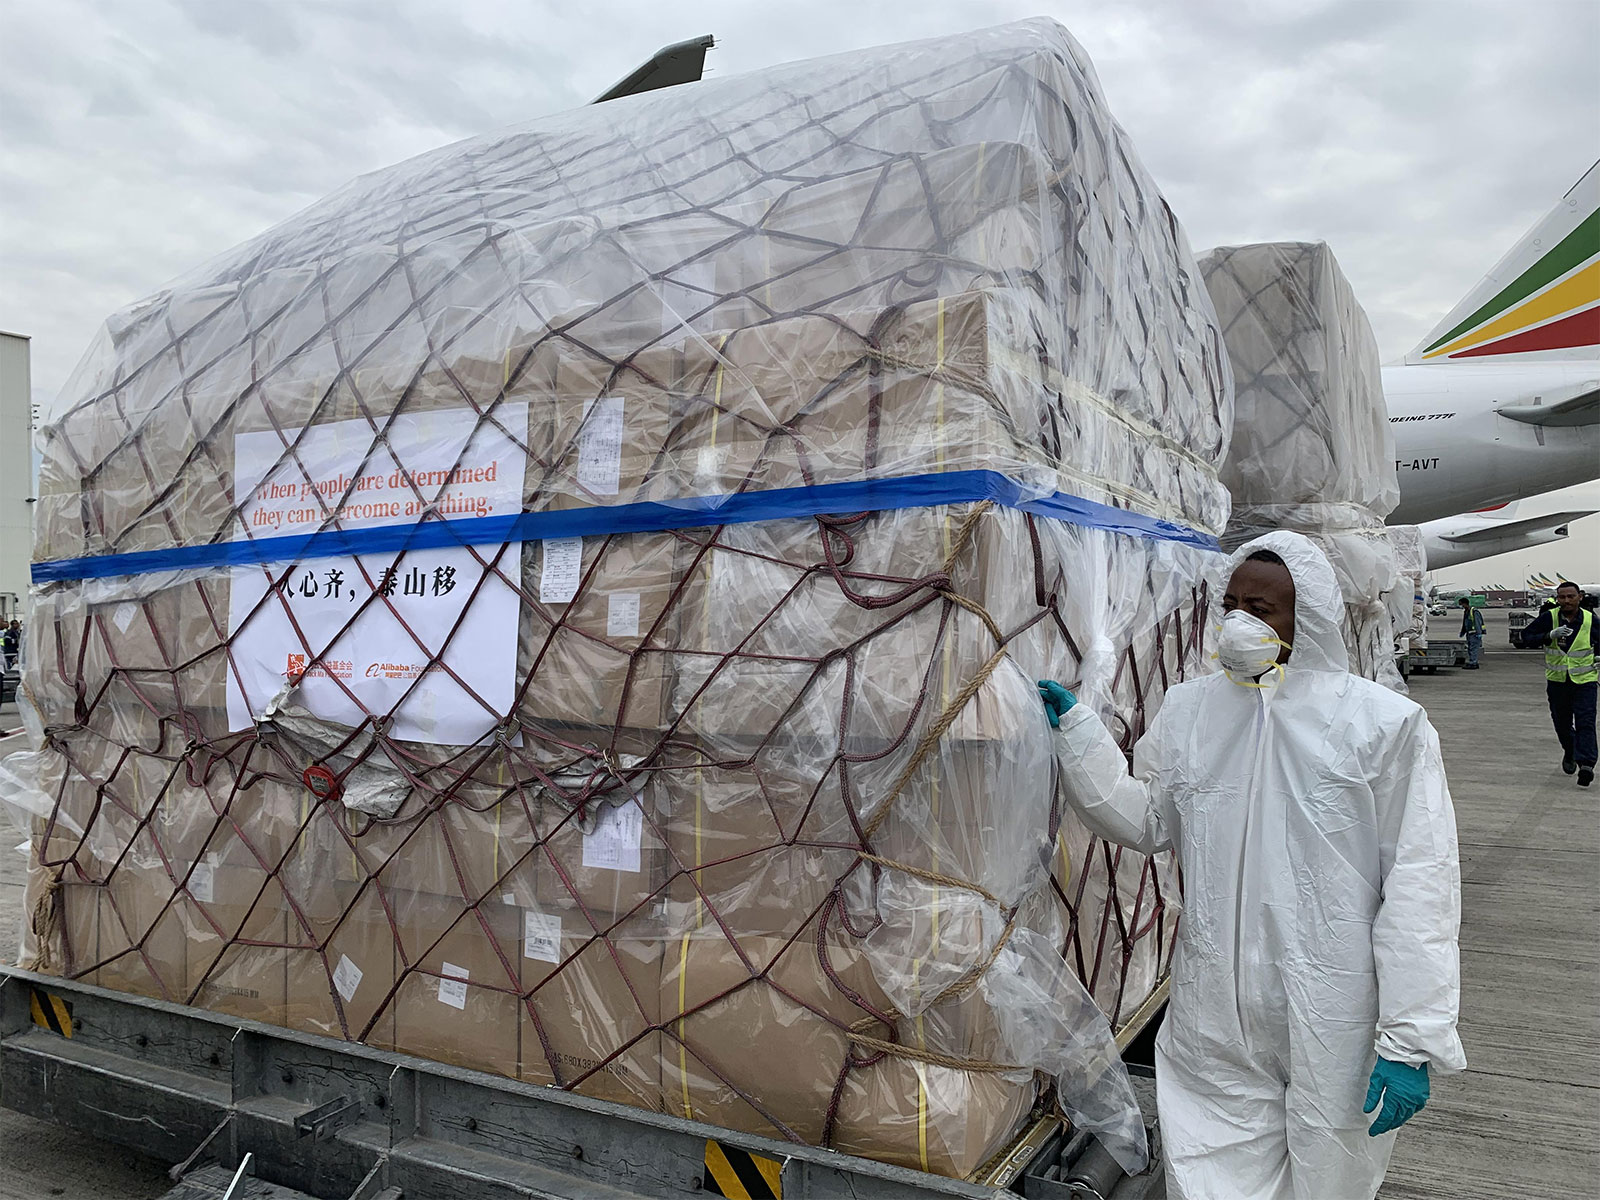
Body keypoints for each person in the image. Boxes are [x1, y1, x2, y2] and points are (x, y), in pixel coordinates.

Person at [1038, 531, 1464, 1200]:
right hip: (1214, 1005)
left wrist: (1411, 1038)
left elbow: (1421, 886)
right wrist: (1081, 740)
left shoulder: (1383, 726)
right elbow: (1147, 818)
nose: (1238, 620)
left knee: (1328, 1178)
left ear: (1310, 615)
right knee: (1210, 1172)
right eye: (1231, 602)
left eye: (1261, 608)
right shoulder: (1194, 711)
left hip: (1332, 1009)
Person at [1517, 580, 1596, 787]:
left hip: (1585, 681)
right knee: (1561, 724)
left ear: (1580, 597)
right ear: (1557, 598)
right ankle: (1570, 751)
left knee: (1585, 722)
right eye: (1562, 597)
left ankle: (1586, 765)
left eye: (1571, 596)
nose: (1567, 600)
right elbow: (1525, 637)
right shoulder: (1549, 617)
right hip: (1558, 682)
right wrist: (1547, 635)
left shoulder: (1589, 619)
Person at [1457, 597, 1485, 669]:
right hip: (1469, 634)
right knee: (1470, 648)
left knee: (1473, 649)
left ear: (1465, 603)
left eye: (1462, 605)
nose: (1462, 607)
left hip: (1475, 634)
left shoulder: (1474, 611)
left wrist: (1479, 633)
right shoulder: (1466, 612)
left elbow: (1477, 623)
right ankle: (1472, 661)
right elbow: (1465, 623)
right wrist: (1462, 632)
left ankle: (1473, 663)